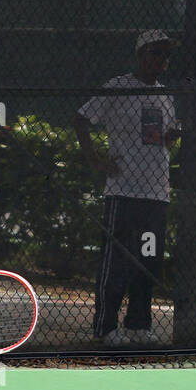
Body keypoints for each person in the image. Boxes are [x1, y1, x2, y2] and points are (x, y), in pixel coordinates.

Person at [74, 30, 179, 346]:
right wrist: (96, 160)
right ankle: (105, 328)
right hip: (123, 190)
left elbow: (171, 134)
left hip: (157, 193)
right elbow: (81, 118)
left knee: (148, 261)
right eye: (155, 53)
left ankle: (138, 325)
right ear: (140, 54)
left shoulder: (165, 94)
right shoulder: (119, 87)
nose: (161, 59)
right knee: (116, 260)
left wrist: (172, 139)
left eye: (165, 54)